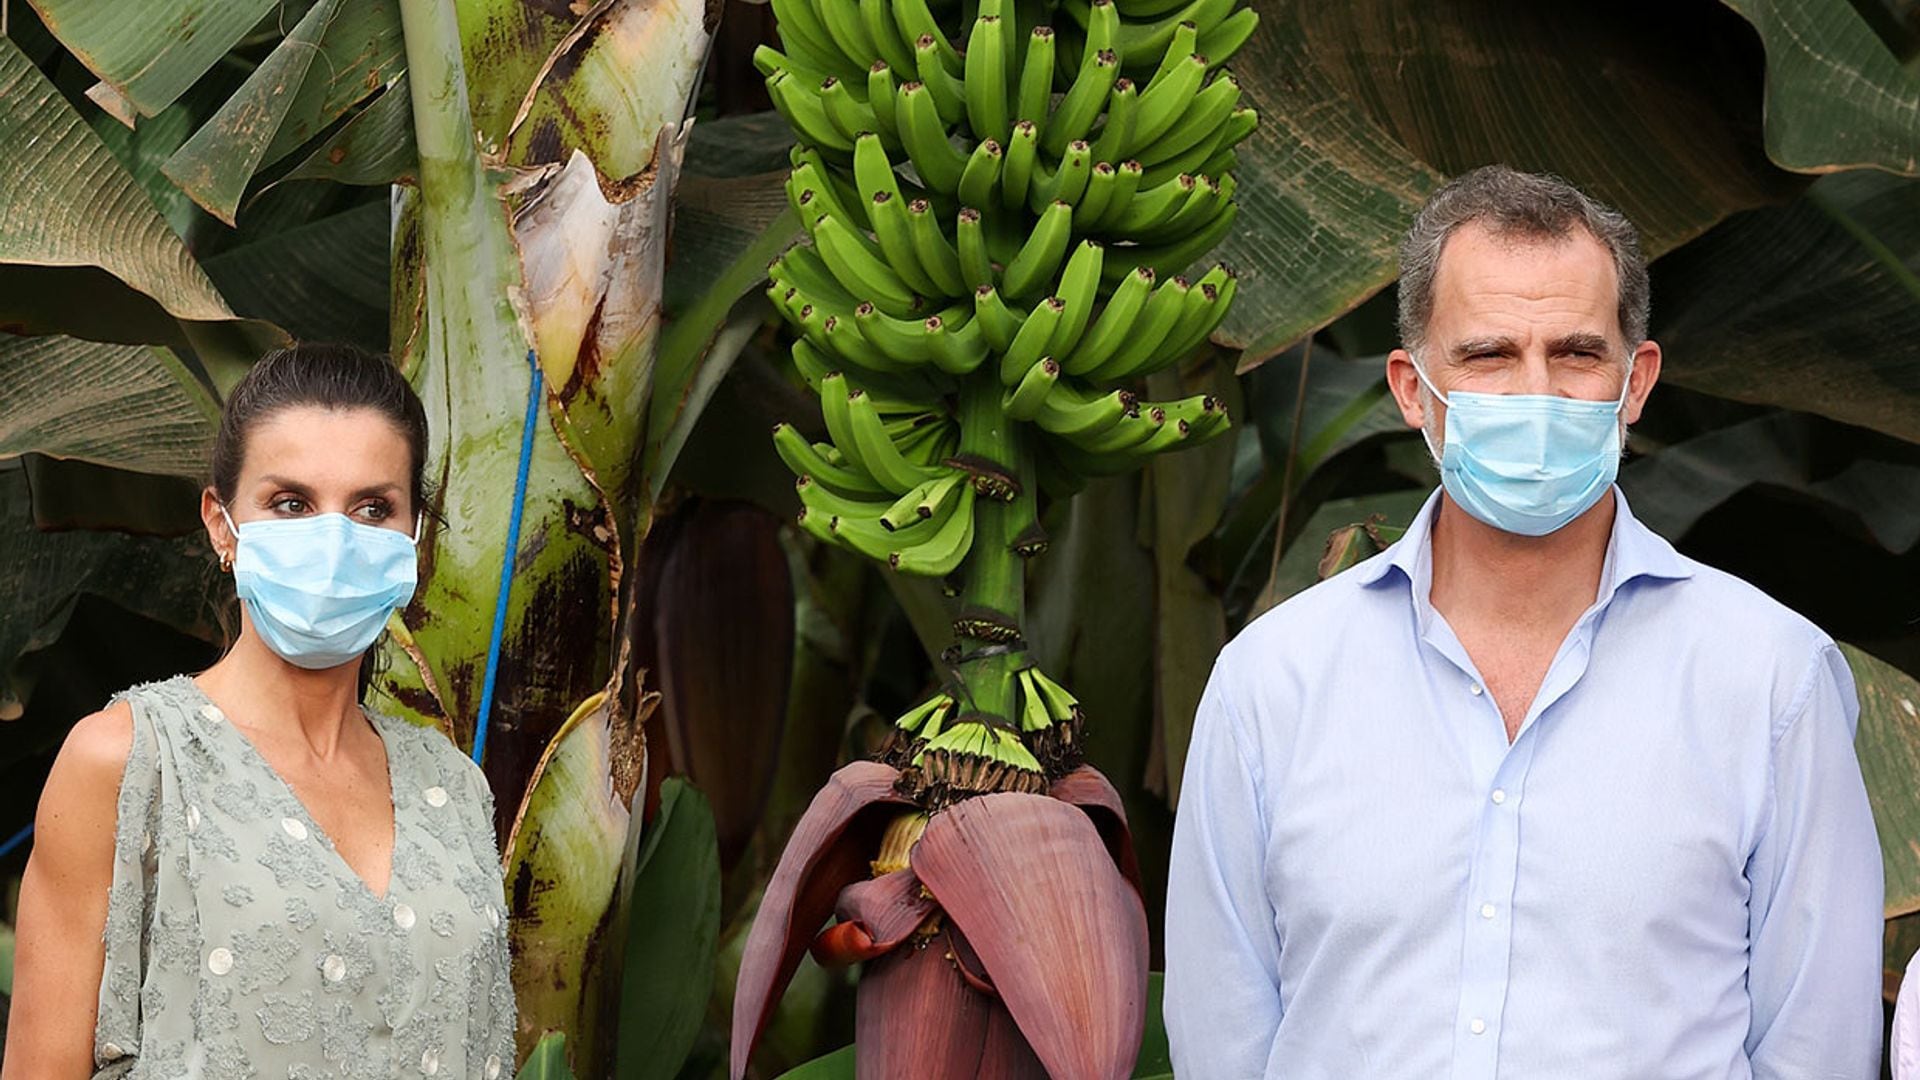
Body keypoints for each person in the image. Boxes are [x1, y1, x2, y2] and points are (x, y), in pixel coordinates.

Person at [1164, 166, 1883, 1078]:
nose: (1535, 393)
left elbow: (1817, 1047)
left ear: (1637, 382)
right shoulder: (1272, 682)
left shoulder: (1771, 676)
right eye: (1489, 354)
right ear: (1414, 389)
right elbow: (1222, 1041)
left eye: (1577, 354)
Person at [3, 345, 517, 1079]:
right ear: (221, 524)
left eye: (374, 508)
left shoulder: (455, 788)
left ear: (415, 537)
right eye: (291, 503)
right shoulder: (130, 759)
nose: (334, 540)